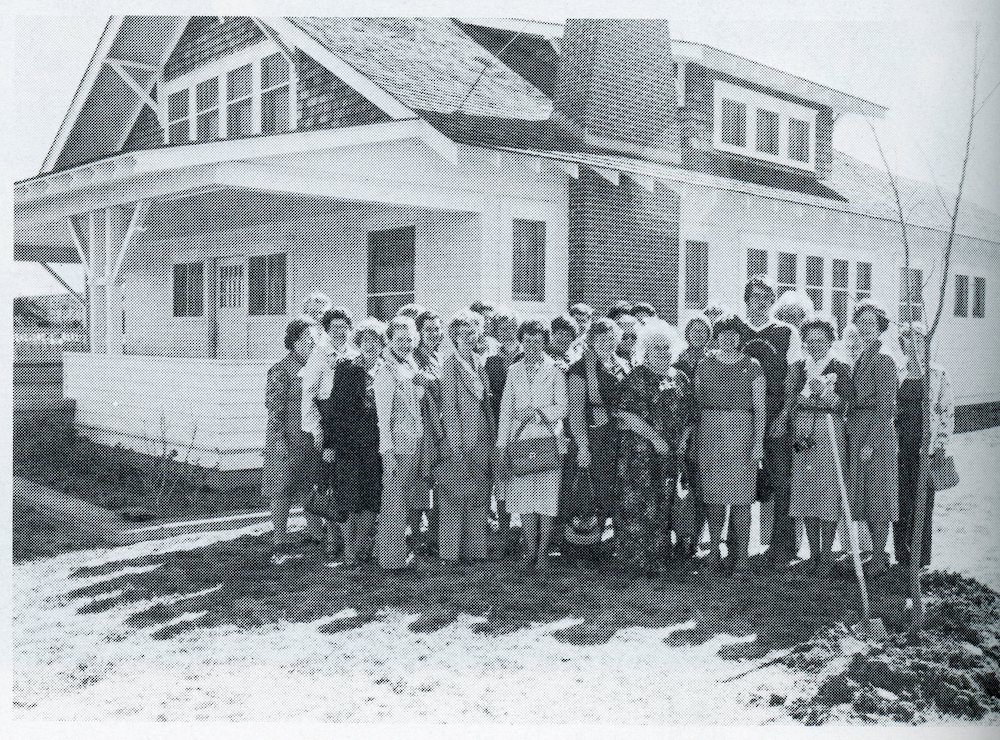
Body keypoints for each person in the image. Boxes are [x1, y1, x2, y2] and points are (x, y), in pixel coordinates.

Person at [615, 320, 695, 575]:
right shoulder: (637, 376)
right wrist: (656, 440)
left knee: (664, 503)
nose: (663, 353)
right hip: (640, 452)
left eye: (666, 348)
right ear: (645, 351)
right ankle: (636, 561)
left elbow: (690, 415)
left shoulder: (678, 376)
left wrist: (681, 443)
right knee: (638, 504)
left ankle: (659, 558)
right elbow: (628, 416)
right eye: (657, 348)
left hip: (669, 453)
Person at [777, 316, 853, 576]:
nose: (815, 345)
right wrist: (798, 399)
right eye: (810, 341)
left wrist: (827, 394)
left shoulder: (840, 367)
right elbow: (790, 400)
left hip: (829, 430)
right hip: (802, 432)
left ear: (830, 341)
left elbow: (847, 406)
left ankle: (827, 555)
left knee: (828, 492)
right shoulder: (798, 367)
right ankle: (814, 553)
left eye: (820, 340)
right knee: (807, 492)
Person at [694, 313, 766, 574]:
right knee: (714, 498)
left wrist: (758, 443)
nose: (728, 339)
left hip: (742, 435)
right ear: (717, 336)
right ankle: (714, 552)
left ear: (739, 337)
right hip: (710, 434)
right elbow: (698, 404)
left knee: (741, 499)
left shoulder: (753, 365)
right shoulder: (704, 364)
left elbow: (760, 408)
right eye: (723, 334)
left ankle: (742, 558)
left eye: (733, 334)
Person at [496, 319, 568, 571]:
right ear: (521, 341)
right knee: (524, 498)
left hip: (548, 441)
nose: (532, 345)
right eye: (527, 341)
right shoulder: (514, 370)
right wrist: (502, 445)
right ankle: (529, 549)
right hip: (521, 441)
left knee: (547, 497)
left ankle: (543, 552)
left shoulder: (556, 370)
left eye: (537, 341)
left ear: (545, 342)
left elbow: (563, 406)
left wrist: (536, 413)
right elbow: (506, 409)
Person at [319, 318, 386, 566]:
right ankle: (348, 548)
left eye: (376, 340)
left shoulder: (386, 369)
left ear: (382, 343)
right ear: (358, 342)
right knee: (347, 496)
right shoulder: (346, 368)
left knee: (370, 495)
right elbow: (335, 410)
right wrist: (329, 445)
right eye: (366, 340)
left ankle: (359, 546)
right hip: (348, 444)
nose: (370, 345)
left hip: (376, 444)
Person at [564, 318, 628, 564]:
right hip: (592, 438)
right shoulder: (581, 369)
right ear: (591, 340)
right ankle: (580, 551)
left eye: (612, 339)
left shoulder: (622, 365)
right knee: (587, 492)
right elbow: (576, 410)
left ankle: (603, 546)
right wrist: (581, 445)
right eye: (601, 339)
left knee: (610, 492)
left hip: (617, 437)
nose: (607, 344)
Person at [436, 311, 497, 563]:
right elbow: (449, 406)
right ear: (454, 337)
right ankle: (451, 553)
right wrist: (455, 444)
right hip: (459, 441)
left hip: (483, 438)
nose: (470, 337)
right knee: (454, 495)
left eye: (473, 332)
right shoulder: (450, 364)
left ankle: (475, 551)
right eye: (464, 333)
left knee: (479, 495)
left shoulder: (477, 362)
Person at [743, 276, 795, 563]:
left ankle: (781, 548)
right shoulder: (735, 328)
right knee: (739, 479)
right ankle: (737, 547)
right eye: (755, 296)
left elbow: (793, 376)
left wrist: (784, 413)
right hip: (743, 417)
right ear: (747, 298)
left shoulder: (786, 332)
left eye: (766, 297)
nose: (760, 301)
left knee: (781, 480)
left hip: (776, 414)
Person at [846, 301, 899, 578]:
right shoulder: (864, 355)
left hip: (875, 434)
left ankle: (880, 556)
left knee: (878, 496)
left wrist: (871, 442)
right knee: (865, 495)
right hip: (859, 428)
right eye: (861, 322)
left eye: (871, 322)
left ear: (880, 326)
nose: (865, 327)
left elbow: (886, 406)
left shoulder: (884, 359)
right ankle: (876, 554)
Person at [895, 322, 954, 569]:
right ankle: (901, 557)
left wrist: (939, 445)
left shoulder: (938, 374)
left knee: (923, 505)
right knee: (899, 504)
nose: (914, 344)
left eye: (919, 339)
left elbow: (947, 413)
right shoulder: (897, 372)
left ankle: (921, 559)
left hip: (925, 451)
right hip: (900, 449)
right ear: (903, 344)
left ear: (926, 343)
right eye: (908, 339)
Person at [373, 316, 425, 570]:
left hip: (414, 441)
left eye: (409, 339)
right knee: (393, 500)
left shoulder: (409, 364)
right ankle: (390, 560)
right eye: (399, 339)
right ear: (390, 341)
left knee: (402, 498)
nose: (405, 344)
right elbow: (382, 418)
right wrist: (388, 452)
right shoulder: (386, 371)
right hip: (397, 444)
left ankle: (391, 551)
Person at [264, 317, 319, 556]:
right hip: (286, 435)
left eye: (315, 338)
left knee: (310, 484)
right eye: (308, 338)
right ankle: (279, 535)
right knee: (282, 486)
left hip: (310, 436)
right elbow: (273, 406)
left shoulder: (317, 366)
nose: (313, 342)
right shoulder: (280, 369)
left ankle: (316, 531)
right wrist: (278, 439)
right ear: (295, 341)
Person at [673, 314, 713, 556]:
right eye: (693, 330)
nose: (697, 334)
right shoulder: (678, 362)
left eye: (702, 330)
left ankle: (696, 538)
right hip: (683, 429)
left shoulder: (714, 360)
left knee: (702, 485)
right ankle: (679, 537)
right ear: (687, 333)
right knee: (680, 483)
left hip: (708, 427)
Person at [483, 309, 522, 545]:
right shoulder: (489, 359)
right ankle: (505, 533)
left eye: (511, 327)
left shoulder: (529, 353)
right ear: (496, 332)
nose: (507, 331)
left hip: (524, 425)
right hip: (498, 424)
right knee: (501, 477)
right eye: (502, 328)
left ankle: (526, 535)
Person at [412, 308, 445, 555]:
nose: (434, 333)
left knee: (435, 479)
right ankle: (416, 533)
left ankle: (432, 534)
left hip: (438, 425)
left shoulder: (438, 356)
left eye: (437, 329)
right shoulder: (414, 356)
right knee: (420, 480)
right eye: (428, 330)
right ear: (419, 333)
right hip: (420, 426)